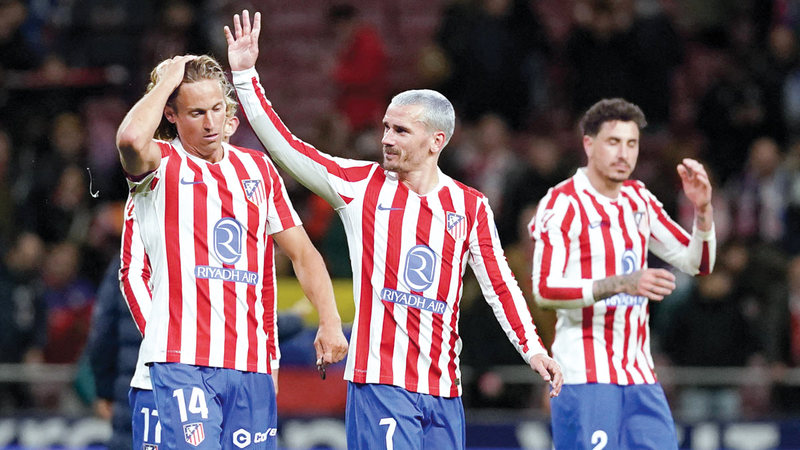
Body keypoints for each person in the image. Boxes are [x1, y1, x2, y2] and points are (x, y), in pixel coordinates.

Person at [225, 10, 562, 449]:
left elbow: (499, 285)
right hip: (380, 385)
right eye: (385, 127)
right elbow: (288, 148)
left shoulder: (470, 206)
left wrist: (532, 349)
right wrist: (246, 77)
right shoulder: (360, 186)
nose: (386, 138)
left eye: (401, 130)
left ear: (436, 141)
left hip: (444, 391)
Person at [115, 53, 348, 449]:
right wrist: (167, 81)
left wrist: (329, 321)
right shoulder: (160, 165)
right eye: (196, 113)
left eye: (217, 109)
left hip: (251, 365)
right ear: (171, 114)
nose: (210, 123)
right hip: (183, 361)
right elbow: (130, 139)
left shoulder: (258, 170)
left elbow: (303, 254)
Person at [528, 98, 716, 448]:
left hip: (639, 374)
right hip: (584, 376)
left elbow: (698, 263)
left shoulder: (638, 199)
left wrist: (703, 211)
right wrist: (622, 282)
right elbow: (544, 290)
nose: (624, 153)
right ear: (589, 144)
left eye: (632, 144)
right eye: (613, 142)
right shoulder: (562, 203)